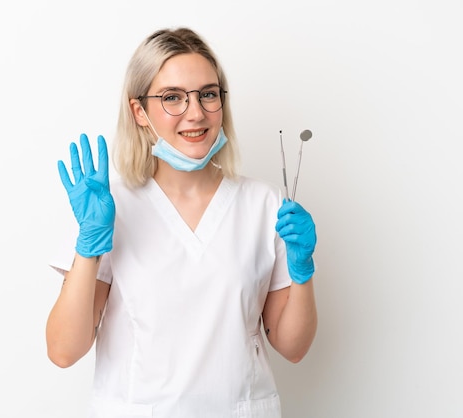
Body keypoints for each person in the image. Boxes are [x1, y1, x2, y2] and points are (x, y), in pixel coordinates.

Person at [46, 27, 318, 418]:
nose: (196, 113)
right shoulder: (108, 207)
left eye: (208, 94)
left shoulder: (264, 203)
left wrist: (303, 272)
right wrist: (88, 246)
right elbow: (63, 350)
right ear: (139, 111)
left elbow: (293, 348)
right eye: (173, 97)